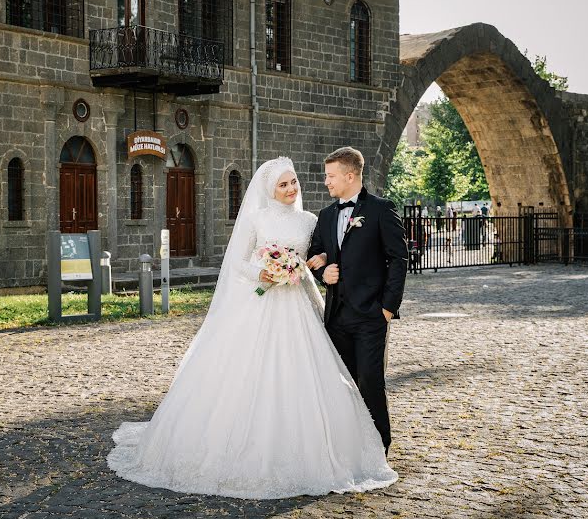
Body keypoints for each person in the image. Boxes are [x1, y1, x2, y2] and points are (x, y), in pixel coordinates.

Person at [107, 157, 397, 499]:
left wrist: (306, 268)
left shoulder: (311, 220)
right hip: (260, 304)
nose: (291, 189)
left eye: (294, 183)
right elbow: (237, 263)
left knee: (311, 372)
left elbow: (317, 258)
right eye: (283, 185)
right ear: (270, 189)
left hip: (298, 305)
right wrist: (262, 273)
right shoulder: (258, 219)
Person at [308, 147, 408, 455]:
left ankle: (379, 447)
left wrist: (387, 309)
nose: (326, 182)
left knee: (370, 380)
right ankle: (349, 446)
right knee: (342, 383)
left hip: (370, 315)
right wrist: (324, 272)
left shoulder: (380, 209)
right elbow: (313, 256)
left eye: (331, 176)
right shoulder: (325, 216)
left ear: (350, 176)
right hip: (336, 316)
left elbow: (399, 258)